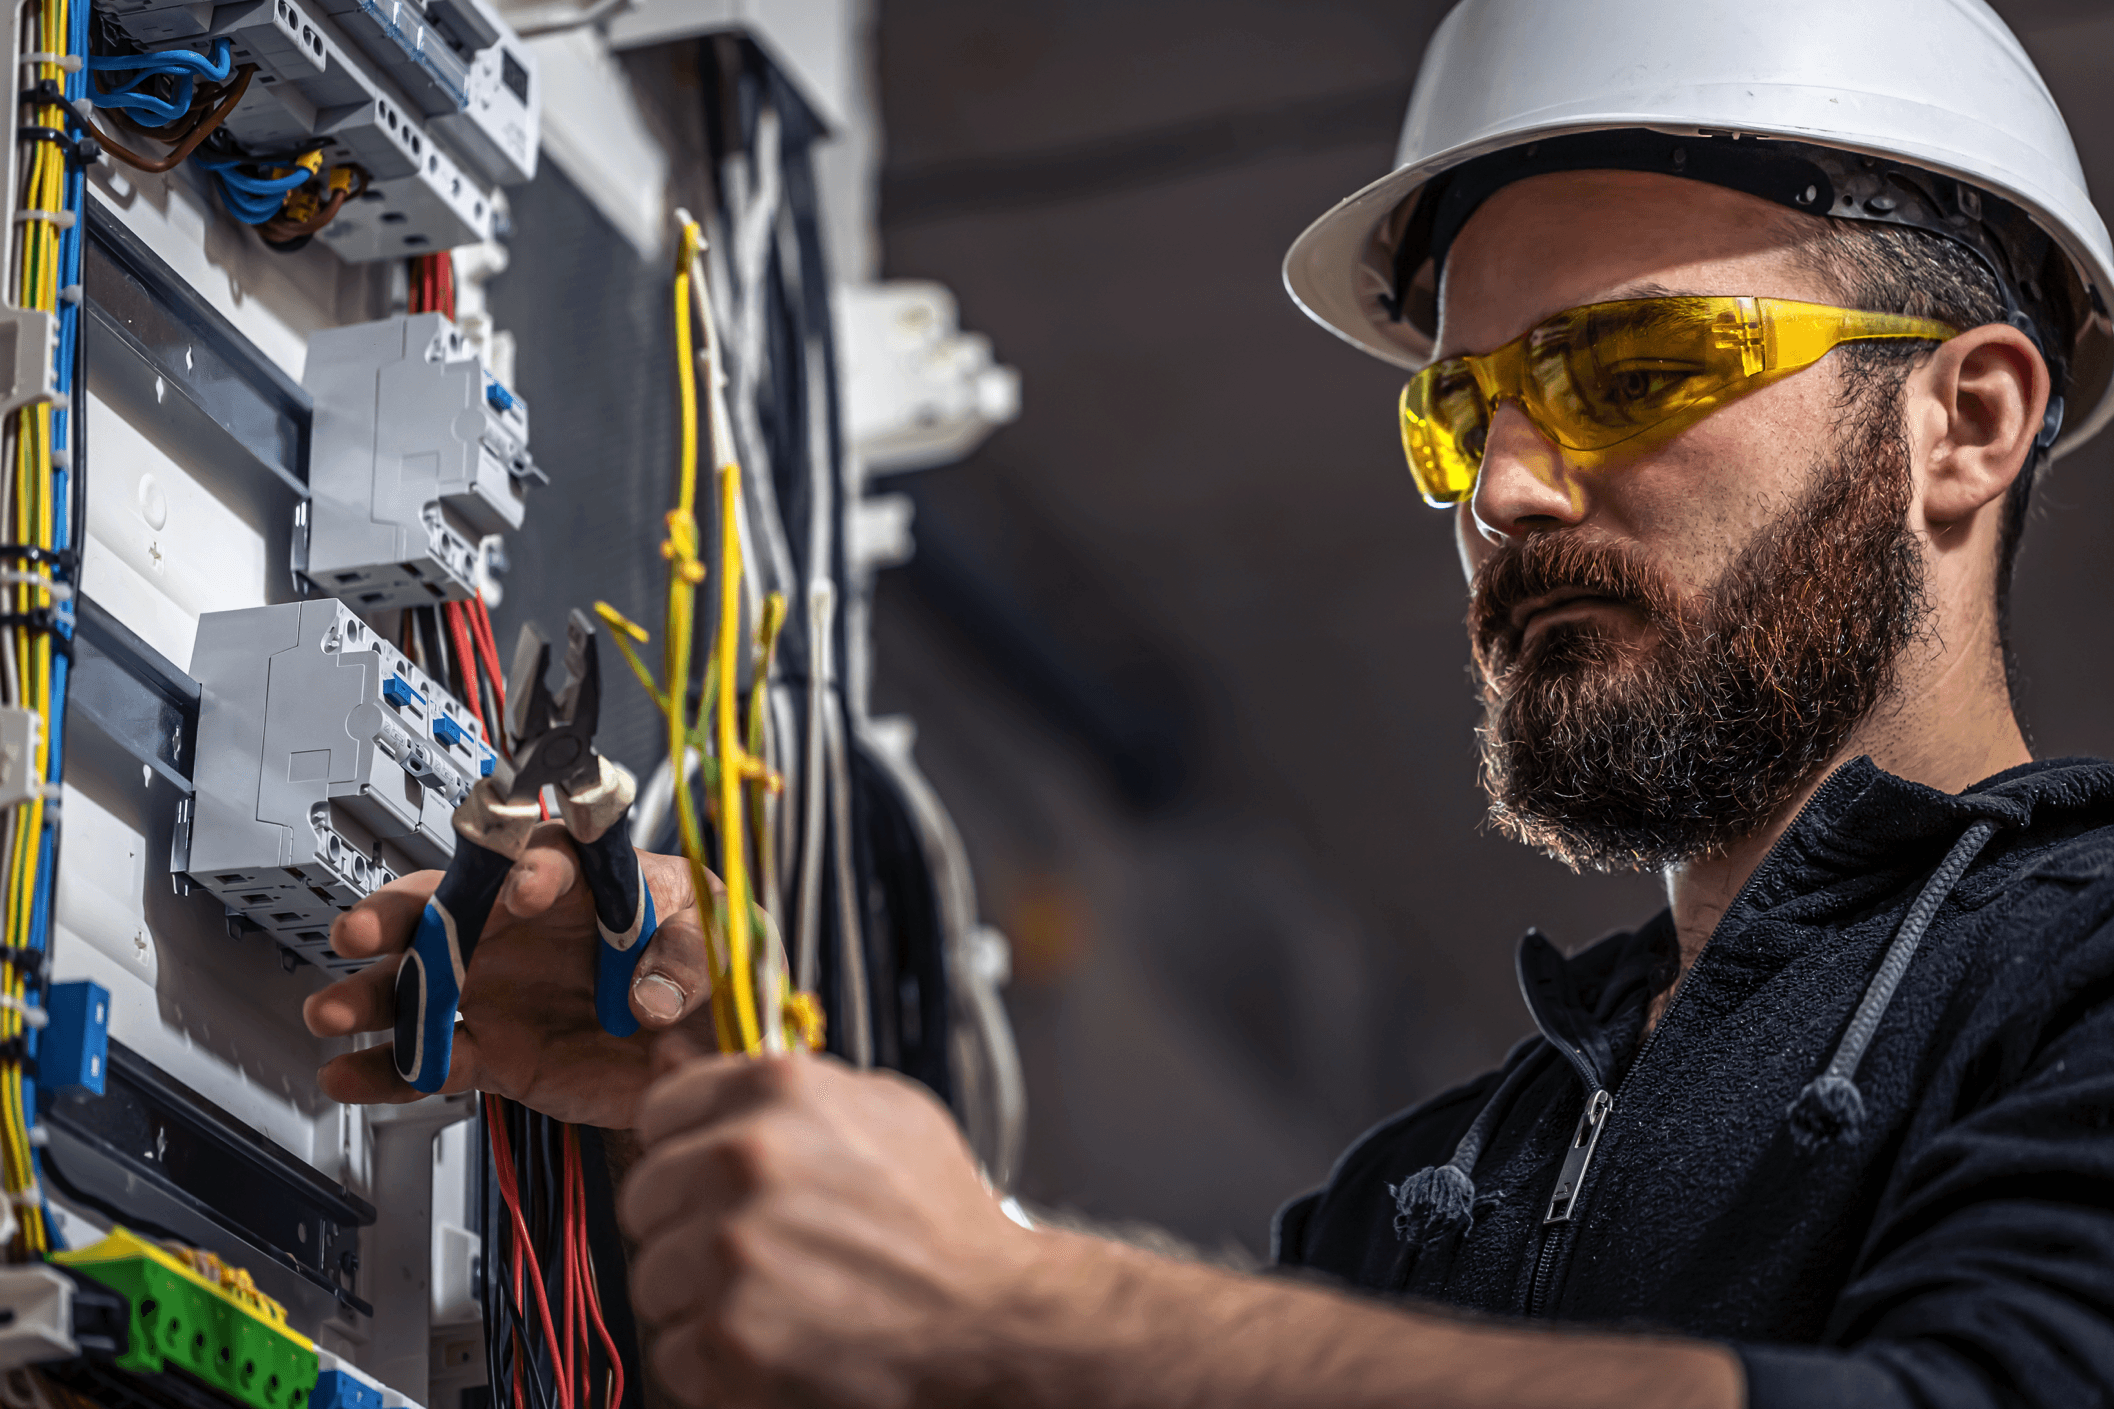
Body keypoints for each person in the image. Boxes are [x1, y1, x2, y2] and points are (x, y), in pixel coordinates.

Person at [300, 0, 2114, 1404]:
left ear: (1963, 423)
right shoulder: (1425, 1195)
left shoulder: (2072, 978)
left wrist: (1010, 1310)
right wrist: (718, 1141)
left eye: (1630, 365)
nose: (1504, 491)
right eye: (1457, 411)